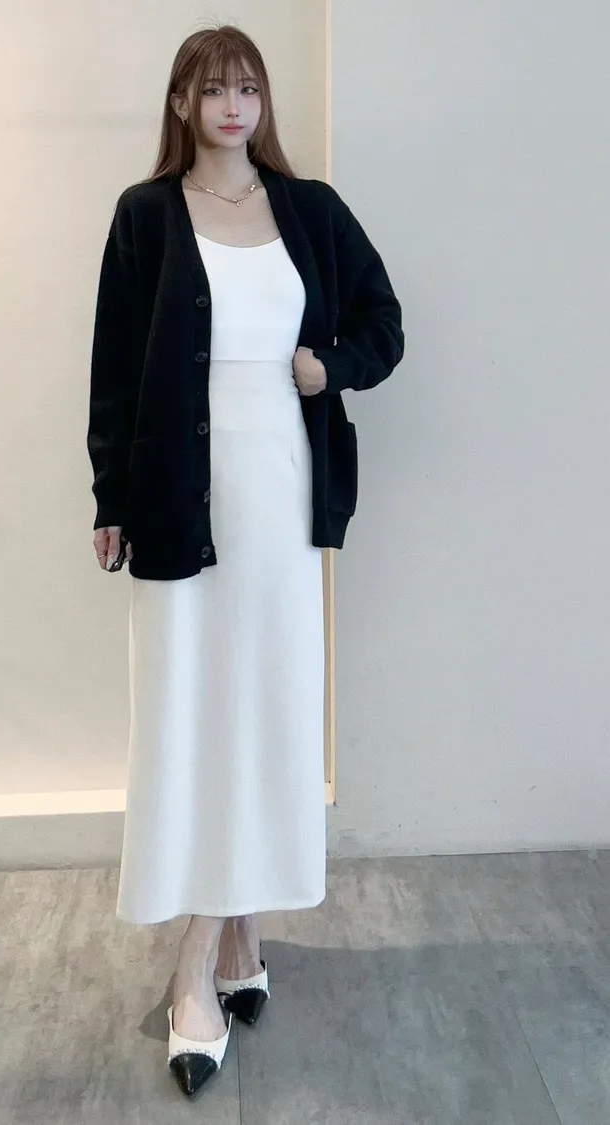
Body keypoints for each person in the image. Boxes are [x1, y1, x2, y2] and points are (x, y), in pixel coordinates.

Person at [87, 24, 404, 1099]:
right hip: (179, 498)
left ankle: (212, 954)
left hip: (277, 495)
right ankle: (222, 947)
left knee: (264, 705)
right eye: (213, 89)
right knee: (189, 711)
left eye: (248, 89)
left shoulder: (308, 209)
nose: (233, 107)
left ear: (262, 104)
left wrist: (331, 366)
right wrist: (111, 498)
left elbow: (384, 321)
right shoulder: (145, 215)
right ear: (182, 103)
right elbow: (114, 367)